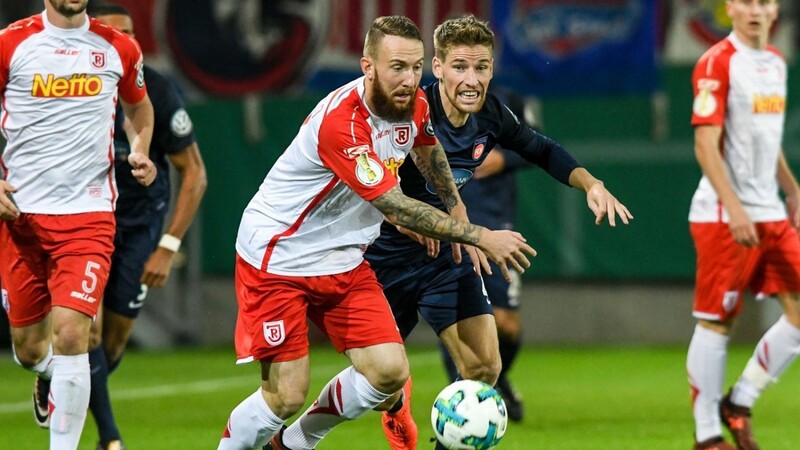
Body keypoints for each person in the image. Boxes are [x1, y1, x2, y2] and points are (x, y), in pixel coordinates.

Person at [217, 16, 535, 450]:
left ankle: (293, 444)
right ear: (368, 66)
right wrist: (475, 233)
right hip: (279, 258)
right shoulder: (343, 125)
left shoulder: (414, 107)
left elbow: (426, 147)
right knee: (284, 395)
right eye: (396, 67)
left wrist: (454, 201)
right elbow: (394, 205)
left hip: (345, 258)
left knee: (388, 371)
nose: (408, 80)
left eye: (416, 67)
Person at [367, 15, 632, 450]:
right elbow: (372, 180)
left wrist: (591, 183)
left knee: (485, 367)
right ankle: (388, 406)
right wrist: (409, 221)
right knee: (379, 380)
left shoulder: (491, 114)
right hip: (386, 259)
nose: (471, 80)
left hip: (447, 259)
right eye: (460, 67)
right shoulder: (408, 109)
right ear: (437, 67)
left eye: (482, 67)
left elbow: (541, 148)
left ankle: (447, 443)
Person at [27, 3, 208, 449]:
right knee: (82, 332)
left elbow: (195, 173)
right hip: (88, 218)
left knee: (110, 346)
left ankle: (55, 381)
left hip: (141, 223)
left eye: (131, 34)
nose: (124, 43)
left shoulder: (158, 93)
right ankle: (110, 438)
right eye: (113, 32)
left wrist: (167, 244)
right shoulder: (72, 88)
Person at [0, 1, 155, 449]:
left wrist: (139, 146)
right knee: (30, 350)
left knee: (74, 333)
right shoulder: (12, 44)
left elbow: (139, 109)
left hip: (88, 215)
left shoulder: (119, 47)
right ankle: (47, 376)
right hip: (20, 216)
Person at [686, 1, 800, 449]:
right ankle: (707, 434)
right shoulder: (716, 63)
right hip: (721, 214)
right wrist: (733, 206)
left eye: (764, 1)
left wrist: (791, 189)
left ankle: (739, 401)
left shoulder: (775, 63)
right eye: (746, 1)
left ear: (775, 9)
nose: (756, 10)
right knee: (718, 322)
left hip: (771, 212)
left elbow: (765, 138)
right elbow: (705, 143)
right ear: (729, 8)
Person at [437, 85, 535, 423]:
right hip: (446, 223)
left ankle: (499, 378)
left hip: (495, 223)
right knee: (454, 315)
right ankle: (463, 401)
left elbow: (536, 147)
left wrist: (504, 158)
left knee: (507, 324)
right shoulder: (427, 102)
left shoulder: (508, 101)